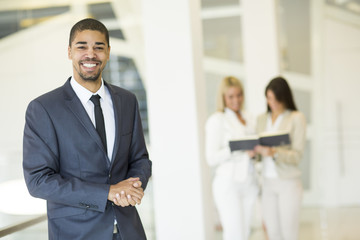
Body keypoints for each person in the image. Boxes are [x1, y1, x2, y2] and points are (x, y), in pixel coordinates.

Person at [23, 18, 152, 240]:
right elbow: (38, 181)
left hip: (128, 231)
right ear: (69, 52)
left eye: (98, 47)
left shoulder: (127, 101)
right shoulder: (44, 109)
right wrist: (107, 192)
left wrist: (131, 187)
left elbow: (140, 159)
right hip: (76, 233)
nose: (90, 55)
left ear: (108, 52)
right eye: (81, 47)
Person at [205, 76, 259, 240]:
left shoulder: (249, 117)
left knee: (245, 232)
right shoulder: (217, 120)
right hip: (228, 184)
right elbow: (211, 158)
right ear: (223, 98)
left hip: (249, 181)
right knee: (234, 234)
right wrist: (236, 148)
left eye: (239, 95)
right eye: (231, 96)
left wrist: (254, 152)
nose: (236, 100)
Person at [254, 76, 306, 240]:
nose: (273, 103)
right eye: (269, 98)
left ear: (285, 98)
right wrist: (255, 152)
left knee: (289, 233)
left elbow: (297, 156)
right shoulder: (261, 119)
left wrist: (274, 153)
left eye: (277, 99)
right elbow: (258, 153)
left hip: (288, 183)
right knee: (273, 232)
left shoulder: (296, 118)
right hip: (267, 183)